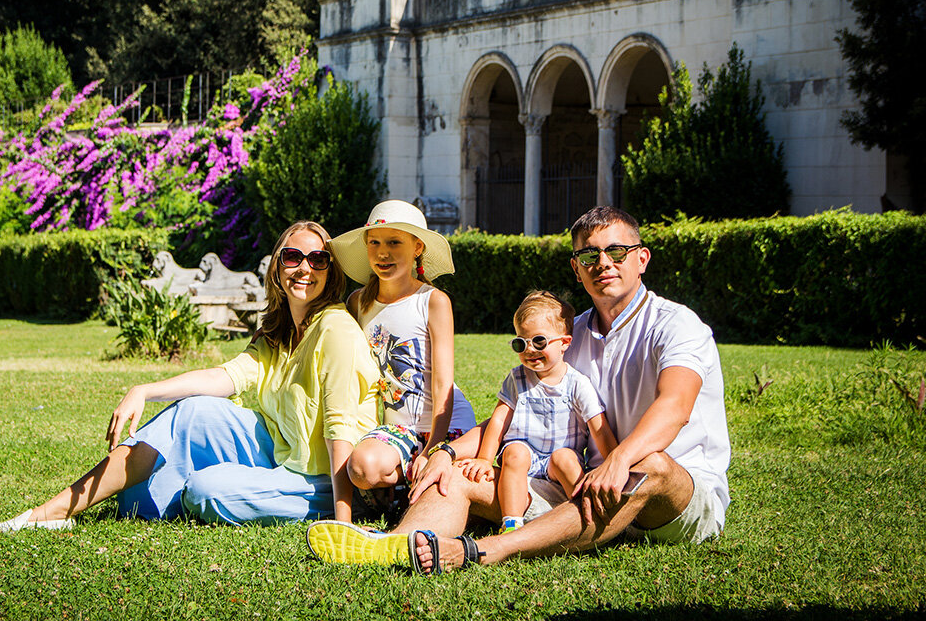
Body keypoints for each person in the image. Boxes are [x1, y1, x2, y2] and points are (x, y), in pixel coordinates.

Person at [305, 206, 730, 573]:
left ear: (642, 258)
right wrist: (449, 453)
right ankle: (396, 543)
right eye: (589, 254)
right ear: (576, 267)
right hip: (581, 487)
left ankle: (484, 550)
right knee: (455, 476)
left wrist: (618, 460)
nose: (604, 263)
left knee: (650, 465)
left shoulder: (676, 325)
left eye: (617, 252)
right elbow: (521, 413)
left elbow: (675, 406)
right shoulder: (567, 334)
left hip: (676, 495)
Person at [0, 220, 380, 532]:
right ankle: (52, 512)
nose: (305, 268)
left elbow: (339, 426)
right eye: (293, 257)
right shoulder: (277, 336)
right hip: (282, 448)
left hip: (329, 476)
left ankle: (268, 494)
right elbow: (224, 377)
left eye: (318, 259)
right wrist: (144, 389)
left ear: (331, 270)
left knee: (205, 492)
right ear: (278, 266)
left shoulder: (336, 329)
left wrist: (344, 519)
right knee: (154, 475)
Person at [330, 200, 477, 516]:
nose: (383, 252)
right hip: (398, 429)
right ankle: (410, 487)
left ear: (417, 247)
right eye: (375, 243)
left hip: (444, 424)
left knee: (446, 485)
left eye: (395, 242)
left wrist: (435, 448)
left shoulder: (433, 301)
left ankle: (410, 489)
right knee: (362, 468)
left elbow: (442, 382)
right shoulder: (358, 302)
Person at [457, 290, 618, 533]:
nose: (530, 350)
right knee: (514, 452)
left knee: (565, 458)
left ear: (564, 343)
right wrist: (483, 459)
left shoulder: (577, 383)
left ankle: (582, 516)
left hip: (559, 458)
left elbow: (599, 428)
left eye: (539, 341)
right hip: (526, 454)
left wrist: (613, 464)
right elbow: (499, 419)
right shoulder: (517, 377)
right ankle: (511, 522)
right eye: (521, 343)